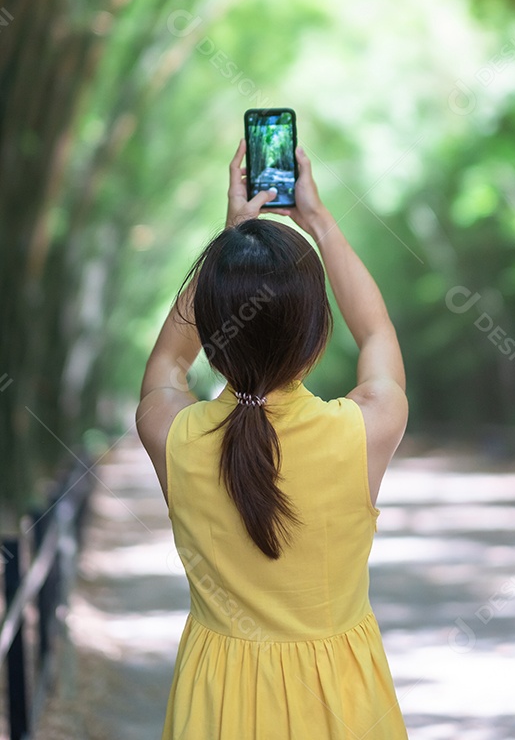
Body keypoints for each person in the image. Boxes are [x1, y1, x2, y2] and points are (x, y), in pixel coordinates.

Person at [136, 137, 409, 739]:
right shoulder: (365, 428)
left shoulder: (173, 434)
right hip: (341, 709)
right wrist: (319, 220)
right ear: (317, 335)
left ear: (212, 331)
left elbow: (167, 363)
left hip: (215, 709)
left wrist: (230, 244)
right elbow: (376, 332)